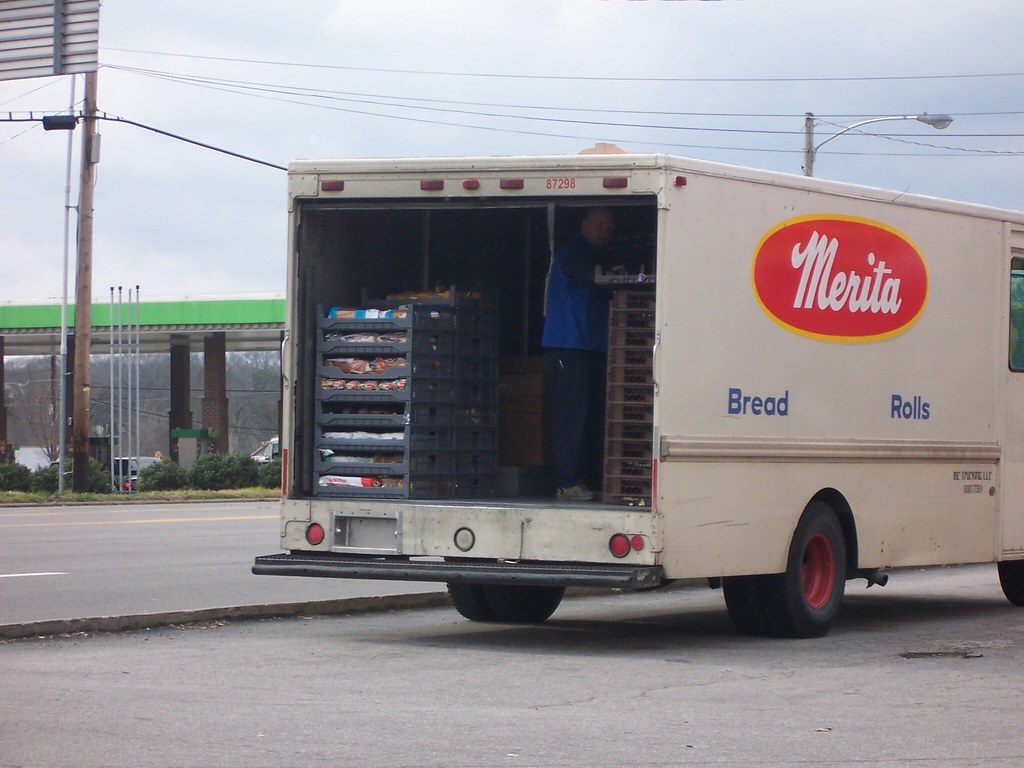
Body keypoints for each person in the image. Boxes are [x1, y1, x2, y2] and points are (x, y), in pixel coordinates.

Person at [542, 207, 616, 502]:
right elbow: (573, 267)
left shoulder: (598, 256)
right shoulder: (571, 251)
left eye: (609, 228)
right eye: (600, 225)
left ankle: (586, 479)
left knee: (593, 416)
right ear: (584, 224)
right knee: (571, 415)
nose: (605, 232)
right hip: (567, 345)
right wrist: (601, 274)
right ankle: (567, 482)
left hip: (592, 346)